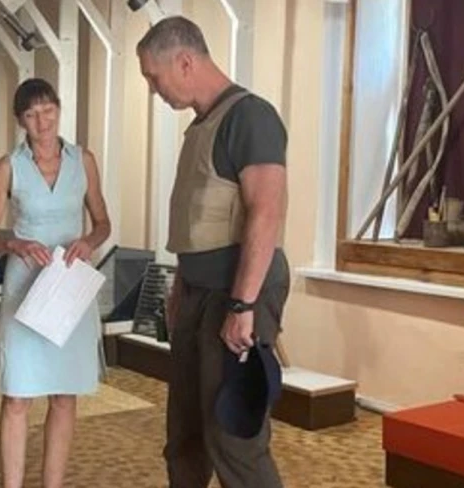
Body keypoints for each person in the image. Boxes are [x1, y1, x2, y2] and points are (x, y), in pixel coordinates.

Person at [136, 16, 290, 488]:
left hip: (236, 292)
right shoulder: (201, 125)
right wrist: (181, 289)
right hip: (198, 293)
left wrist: (242, 306)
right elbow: (197, 223)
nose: (153, 90)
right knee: (185, 435)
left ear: (184, 62)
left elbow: (266, 211)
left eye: (154, 77)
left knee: (232, 437)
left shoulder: (251, 117)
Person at [0, 78, 112, 488]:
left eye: (48, 110)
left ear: (58, 109)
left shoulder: (83, 160)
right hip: (23, 288)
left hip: (68, 287)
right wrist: (12, 242)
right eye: (32, 114)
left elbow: (103, 222)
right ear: (21, 120)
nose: (43, 121)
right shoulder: (8, 166)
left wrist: (88, 242)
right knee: (17, 394)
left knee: (64, 394)